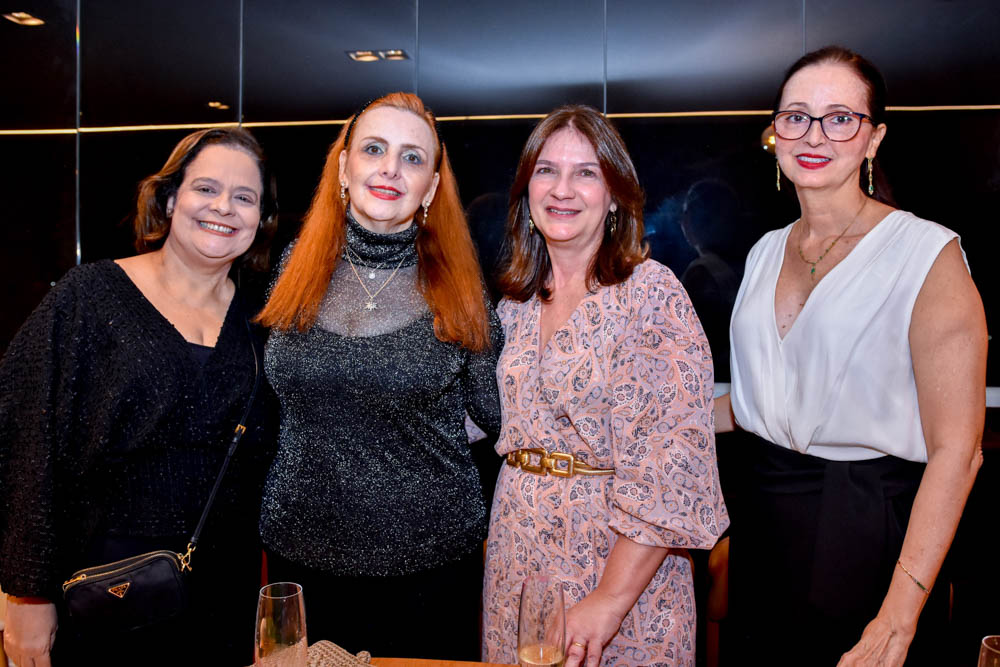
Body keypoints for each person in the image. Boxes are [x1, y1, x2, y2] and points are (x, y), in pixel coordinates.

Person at [716, 46, 987, 666]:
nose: (815, 135)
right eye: (796, 116)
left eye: (840, 118)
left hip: (864, 531)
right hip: (762, 523)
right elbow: (768, 397)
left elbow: (958, 451)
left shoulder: (926, 254)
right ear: (775, 132)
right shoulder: (763, 252)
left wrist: (899, 615)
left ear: (874, 138)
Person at [0, 127, 280, 666]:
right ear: (171, 198)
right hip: (104, 589)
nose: (224, 207)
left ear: (261, 219)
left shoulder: (264, 321)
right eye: (206, 189)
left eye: (245, 198)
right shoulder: (89, 297)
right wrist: (26, 592)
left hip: (225, 592)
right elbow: (23, 442)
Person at [255, 92, 502, 661]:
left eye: (413, 158)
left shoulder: (460, 286)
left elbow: (499, 418)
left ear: (433, 187)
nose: (391, 168)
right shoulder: (295, 267)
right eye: (373, 149)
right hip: (299, 562)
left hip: (430, 571)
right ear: (344, 168)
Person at [482, 105, 729, 667]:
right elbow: (474, 414)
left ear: (616, 194)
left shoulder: (651, 295)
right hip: (517, 558)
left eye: (586, 172)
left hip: (619, 567)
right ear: (526, 190)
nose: (562, 189)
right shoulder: (513, 304)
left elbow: (672, 469)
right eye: (546, 171)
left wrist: (609, 603)